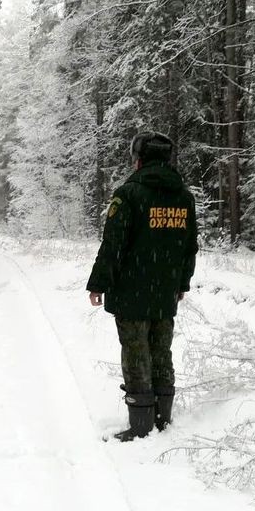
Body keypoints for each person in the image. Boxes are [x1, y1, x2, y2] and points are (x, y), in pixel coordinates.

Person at [86, 131, 198, 442]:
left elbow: (113, 245)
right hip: (165, 290)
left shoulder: (129, 195)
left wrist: (98, 284)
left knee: (137, 353)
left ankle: (140, 427)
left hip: (132, 290)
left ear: (138, 158)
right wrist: (182, 283)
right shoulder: (184, 198)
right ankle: (163, 419)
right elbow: (190, 246)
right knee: (161, 351)